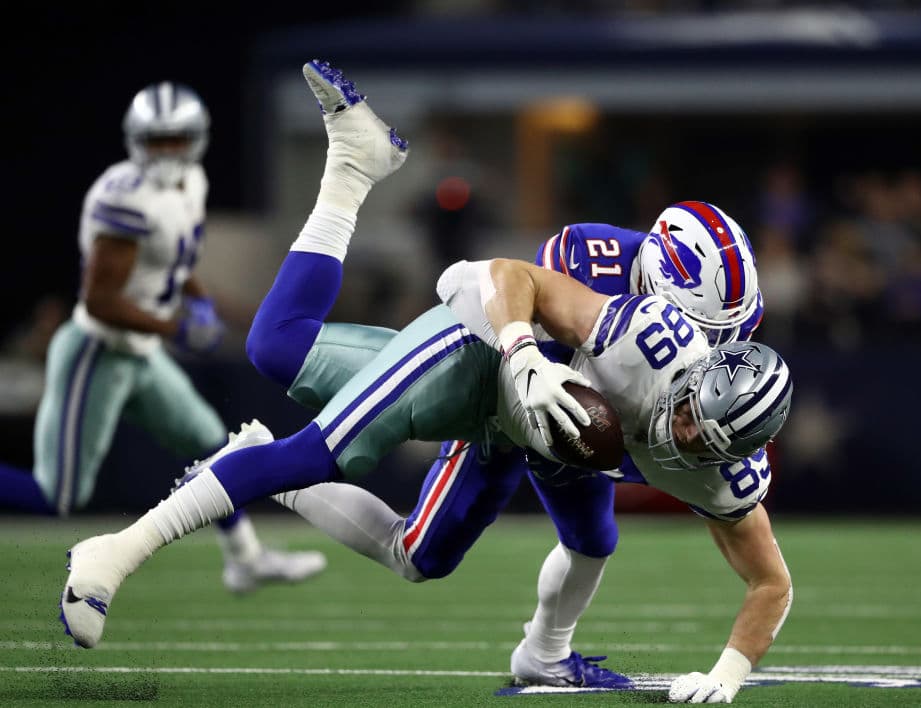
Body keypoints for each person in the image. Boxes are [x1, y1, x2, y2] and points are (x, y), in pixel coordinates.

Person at [59, 61, 794, 705]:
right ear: (659, 289)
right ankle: (119, 550)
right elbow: (511, 281)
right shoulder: (619, 306)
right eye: (705, 327)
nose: (715, 348)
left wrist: (728, 673)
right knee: (315, 438)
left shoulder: (715, 405)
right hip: (482, 358)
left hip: (548, 421)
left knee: (467, 551)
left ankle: (545, 655)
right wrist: (523, 355)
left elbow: (770, 578)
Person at [0, 81, 325, 593]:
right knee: (57, 496)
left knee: (213, 446)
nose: (168, 151)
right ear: (137, 140)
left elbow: (172, 260)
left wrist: (198, 300)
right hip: (96, 351)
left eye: (177, 139)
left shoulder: (191, 182)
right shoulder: (124, 198)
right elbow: (101, 301)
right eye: (157, 140)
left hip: (141, 353)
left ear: (196, 140)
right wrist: (177, 327)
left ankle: (245, 559)